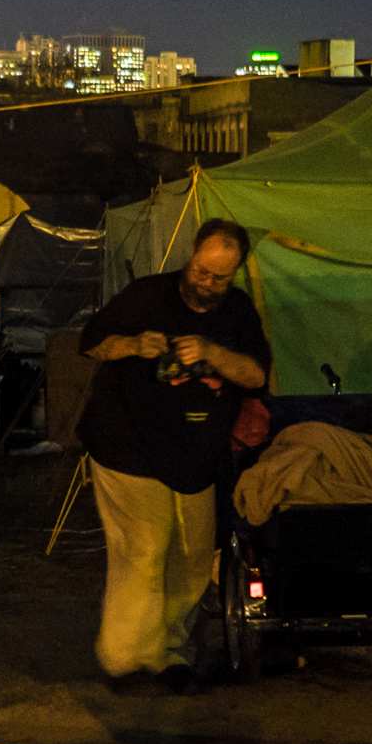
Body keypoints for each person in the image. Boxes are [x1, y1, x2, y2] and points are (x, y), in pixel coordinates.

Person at [78, 218, 271, 694]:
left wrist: (211, 351)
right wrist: (132, 345)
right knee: (143, 549)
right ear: (191, 257)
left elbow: (255, 375)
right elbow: (90, 344)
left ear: (236, 273)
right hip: (128, 446)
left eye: (219, 277)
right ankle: (126, 659)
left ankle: (169, 654)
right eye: (202, 271)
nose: (206, 284)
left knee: (190, 557)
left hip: (196, 455)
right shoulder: (148, 296)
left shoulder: (238, 313)